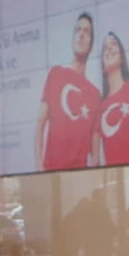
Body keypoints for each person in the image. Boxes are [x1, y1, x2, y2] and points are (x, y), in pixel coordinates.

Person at [34, 13, 101, 171]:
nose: (81, 34)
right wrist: (39, 167)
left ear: (91, 46)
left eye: (86, 31)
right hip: (51, 174)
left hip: (78, 177)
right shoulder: (56, 74)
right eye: (78, 30)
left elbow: (96, 156)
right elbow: (40, 126)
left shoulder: (95, 94)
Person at [92, 31, 129, 167]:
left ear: (122, 57)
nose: (109, 48)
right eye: (105, 48)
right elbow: (95, 161)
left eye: (113, 44)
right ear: (102, 65)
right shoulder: (100, 106)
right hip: (112, 176)